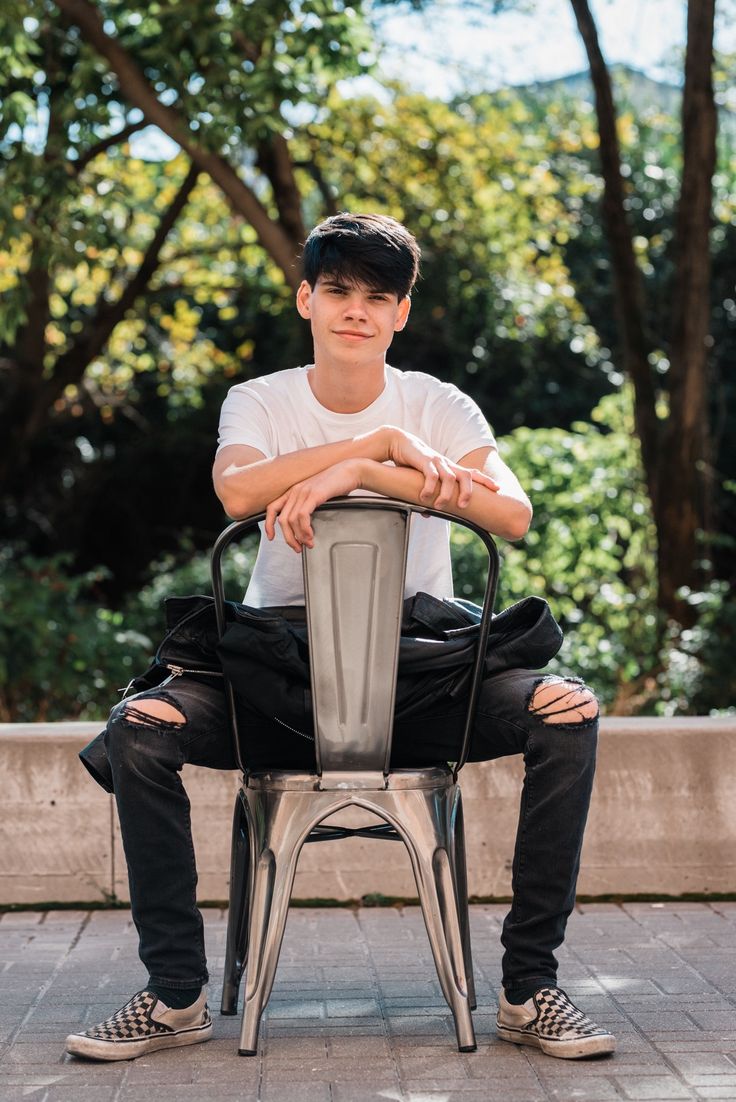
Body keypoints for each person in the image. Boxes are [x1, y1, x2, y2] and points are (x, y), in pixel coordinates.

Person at [67, 213, 615, 1062]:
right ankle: (174, 995)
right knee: (138, 730)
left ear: (401, 313)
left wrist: (357, 471)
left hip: (423, 670)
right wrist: (375, 443)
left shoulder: (440, 403)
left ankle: (528, 989)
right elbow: (236, 492)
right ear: (306, 300)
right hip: (272, 679)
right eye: (338, 292)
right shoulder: (261, 399)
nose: (355, 311)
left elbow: (510, 514)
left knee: (568, 712)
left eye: (377, 297)